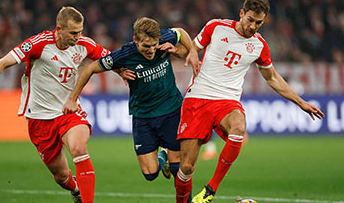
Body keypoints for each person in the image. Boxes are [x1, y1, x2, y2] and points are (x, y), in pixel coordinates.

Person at [176, 0, 325, 203]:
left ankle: (211, 189)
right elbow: (190, 49)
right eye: (250, 20)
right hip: (198, 98)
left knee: (238, 127)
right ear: (241, 13)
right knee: (186, 168)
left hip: (227, 101)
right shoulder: (216, 27)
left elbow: (271, 77)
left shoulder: (259, 45)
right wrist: (175, 51)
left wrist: (301, 102)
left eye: (259, 23)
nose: (253, 26)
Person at [0, 6, 113, 203]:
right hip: (39, 117)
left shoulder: (84, 44)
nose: (78, 36)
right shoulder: (39, 43)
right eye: (73, 32)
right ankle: (76, 190)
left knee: (78, 148)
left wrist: (123, 73)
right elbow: (6, 59)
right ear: (59, 29)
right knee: (61, 176)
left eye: (80, 31)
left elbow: (112, 59)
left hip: (68, 111)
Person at [62, 17, 199, 203]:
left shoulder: (165, 38)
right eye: (146, 46)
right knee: (150, 173)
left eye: (154, 45)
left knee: (179, 169)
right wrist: (72, 98)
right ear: (136, 40)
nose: (151, 50)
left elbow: (180, 33)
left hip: (171, 110)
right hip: (143, 117)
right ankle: (163, 155)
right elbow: (89, 69)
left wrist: (190, 51)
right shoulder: (124, 55)